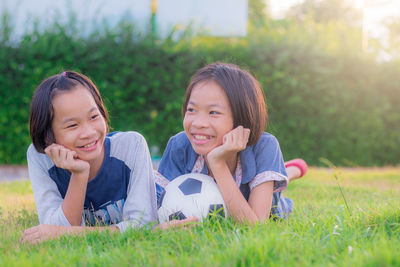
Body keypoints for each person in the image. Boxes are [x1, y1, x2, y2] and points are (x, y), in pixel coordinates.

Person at [155, 62, 308, 225]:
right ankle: (287, 169)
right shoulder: (179, 145)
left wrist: (217, 163)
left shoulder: (264, 146)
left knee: (275, 197)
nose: (198, 123)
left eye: (213, 112)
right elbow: (156, 207)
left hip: (264, 202)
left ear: (241, 117)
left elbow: (254, 226)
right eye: (191, 110)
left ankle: (290, 171)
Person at [21, 71, 157, 244]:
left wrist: (72, 234)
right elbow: (52, 230)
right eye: (72, 125)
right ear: (49, 136)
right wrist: (79, 173)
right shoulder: (40, 157)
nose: (89, 132)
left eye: (94, 117)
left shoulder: (131, 146)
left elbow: (143, 225)